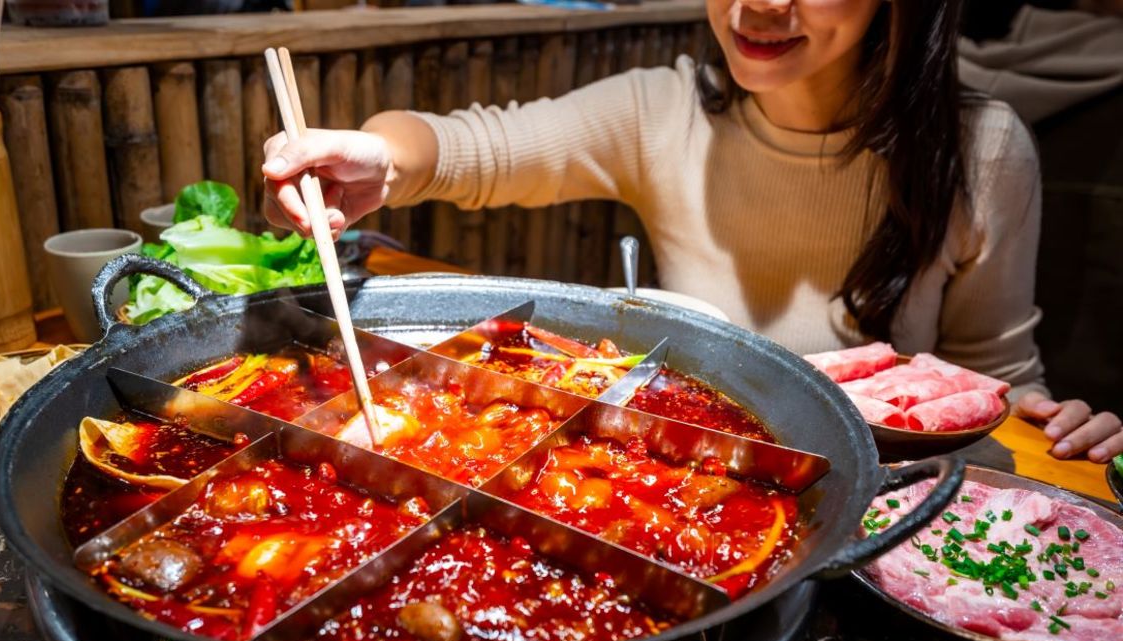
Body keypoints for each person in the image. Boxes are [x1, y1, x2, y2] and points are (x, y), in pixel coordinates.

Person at [261, 0, 1123, 463]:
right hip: (675, 465)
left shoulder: (984, 150)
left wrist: (1064, 428)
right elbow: (465, 145)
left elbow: (995, 379)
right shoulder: (662, 109)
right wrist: (375, 157)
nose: (761, 5)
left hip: (870, 505)